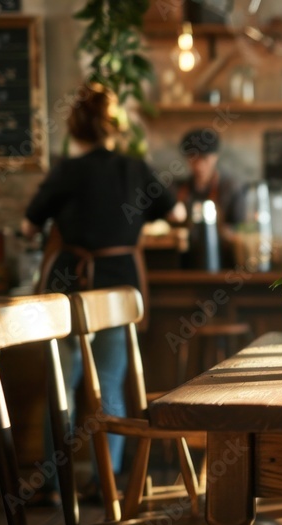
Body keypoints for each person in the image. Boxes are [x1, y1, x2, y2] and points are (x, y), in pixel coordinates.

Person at [21, 82, 184, 491]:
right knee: (108, 383)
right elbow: (178, 212)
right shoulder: (135, 168)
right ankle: (106, 481)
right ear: (116, 125)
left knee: (64, 384)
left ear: (77, 127)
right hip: (118, 290)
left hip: (68, 286)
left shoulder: (67, 171)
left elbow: (28, 226)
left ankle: (52, 485)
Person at [174, 128, 246, 268]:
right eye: (193, 158)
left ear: (215, 157)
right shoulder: (178, 189)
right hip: (185, 264)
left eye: (204, 158)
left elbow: (241, 228)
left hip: (224, 264)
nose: (199, 165)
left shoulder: (231, 189)